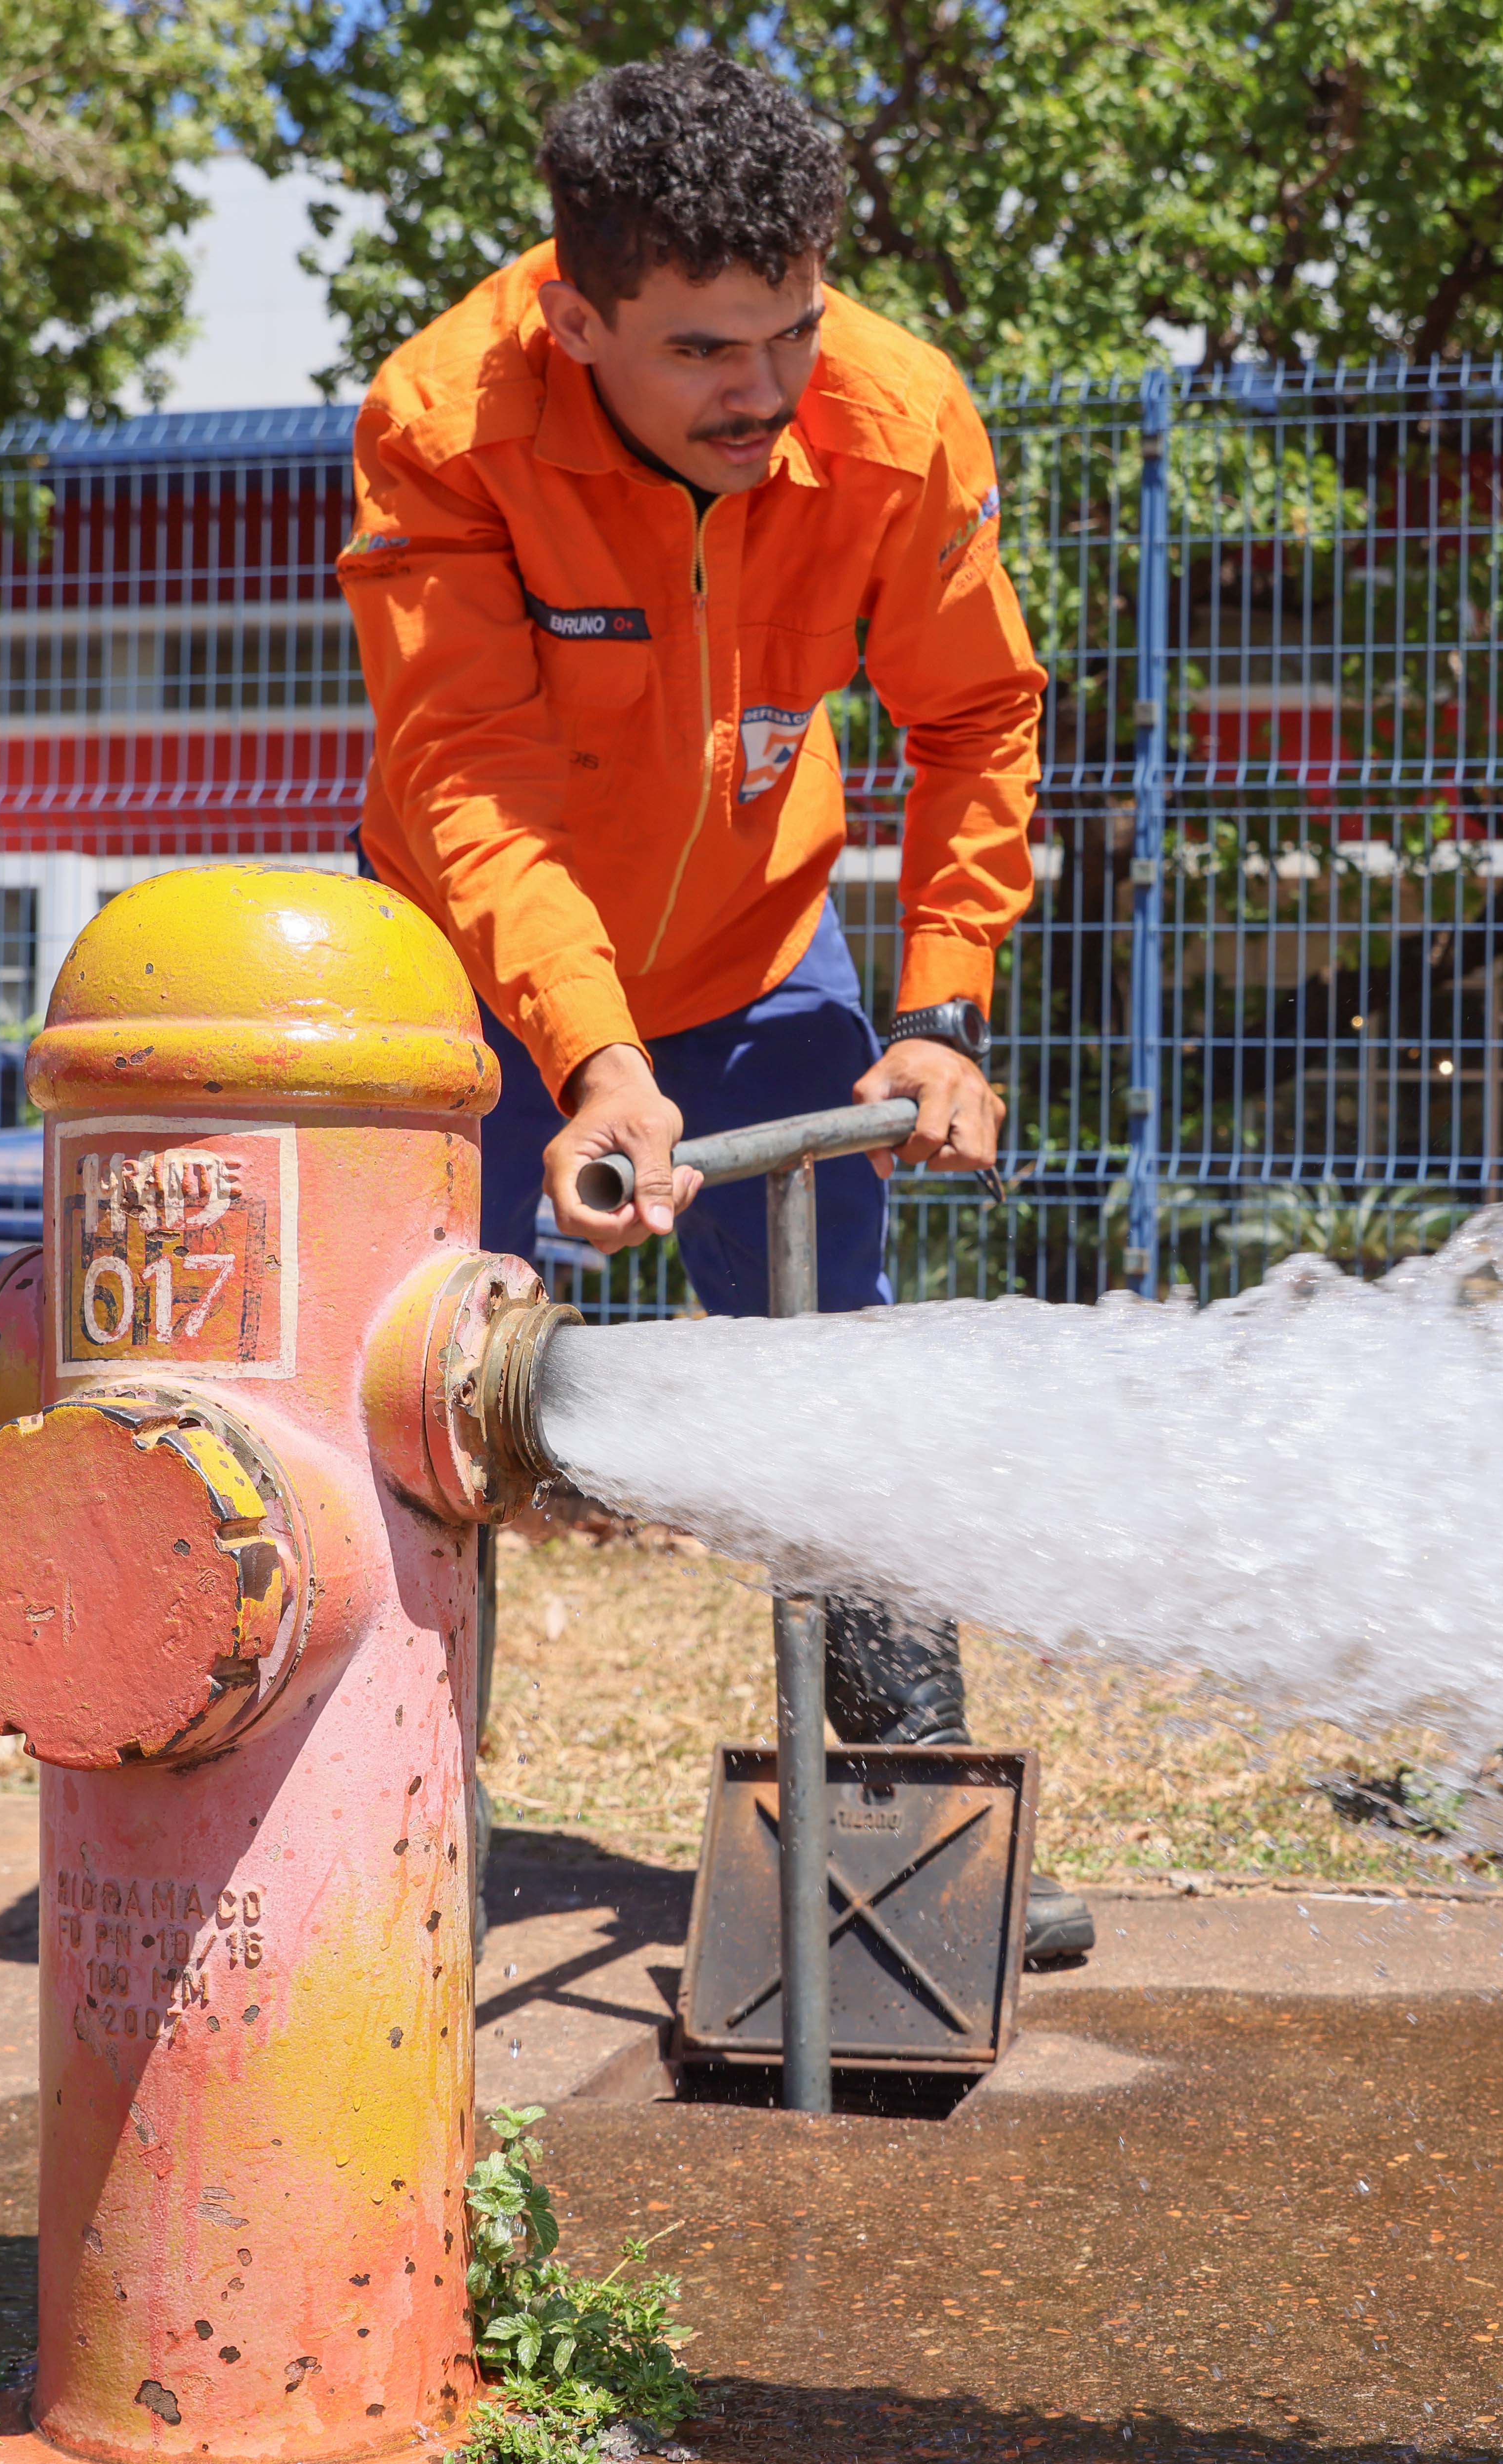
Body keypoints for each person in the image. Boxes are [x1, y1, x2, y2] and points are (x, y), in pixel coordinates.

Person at [341, 51, 1087, 1956]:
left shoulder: (899, 418)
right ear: (573, 314)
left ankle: (905, 1869)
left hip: (765, 969)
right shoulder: (443, 421)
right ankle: (373, 1843)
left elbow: (973, 714)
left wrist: (939, 1009)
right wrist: (590, 1055)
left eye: (792, 328)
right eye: (699, 351)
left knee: (839, 1405)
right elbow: (468, 782)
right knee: (395, 1416)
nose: (759, 389)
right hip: (478, 987)